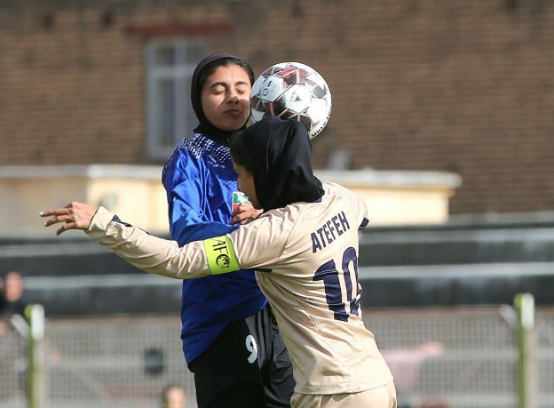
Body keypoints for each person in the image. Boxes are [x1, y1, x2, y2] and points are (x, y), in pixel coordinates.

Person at [41, 116, 397, 408]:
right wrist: (266, 212)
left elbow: (177, 260)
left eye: (242, 174)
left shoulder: (272, 234)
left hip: (331, 393)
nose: (239, 186)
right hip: (376, 380)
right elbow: (347, 217)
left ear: (268, 171)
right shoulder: (341, 199)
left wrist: (101, 223)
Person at [159, 53, 294, 408]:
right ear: (198, 99)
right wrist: (250, 236)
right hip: (221, 316)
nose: (232, 97)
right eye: (219, 89)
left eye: (241, 88)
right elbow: (186, 229)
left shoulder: (270, 150)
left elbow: (298, 214)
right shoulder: (188, 159)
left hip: (278, 307)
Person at [0, 271, 27, 335]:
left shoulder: (26, 306)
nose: (8, 289)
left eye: (11, 286)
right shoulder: (1, 303)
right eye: (6, 285)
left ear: (19, 287)